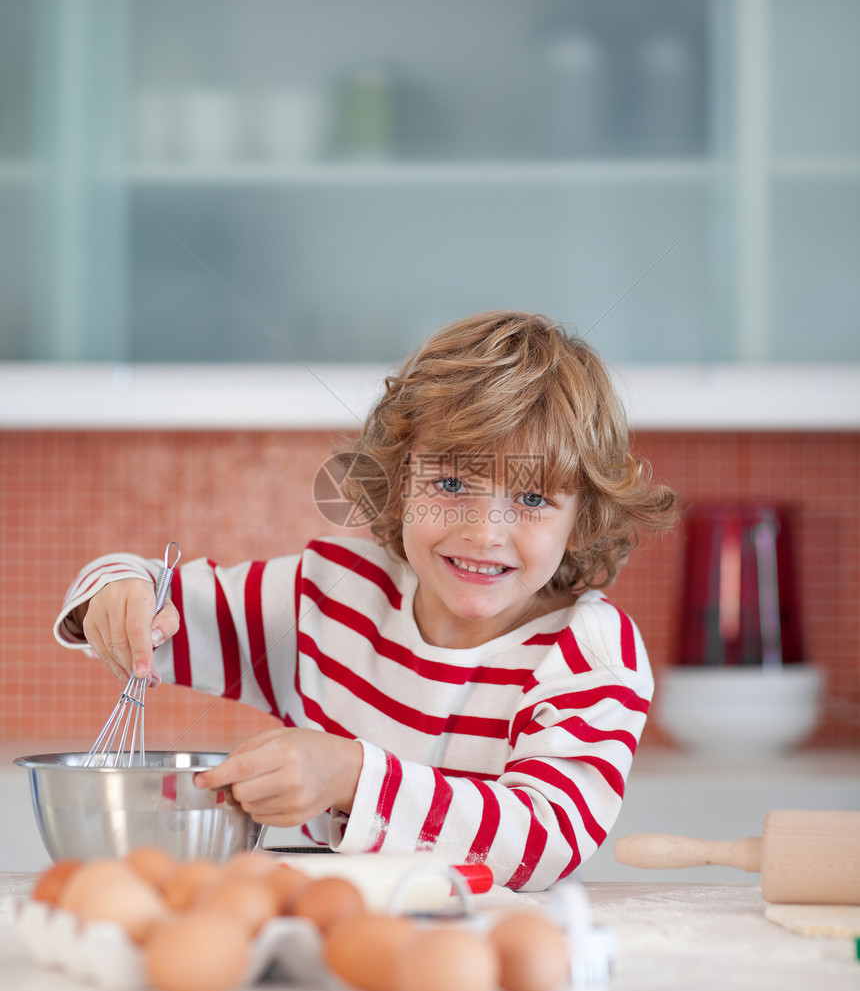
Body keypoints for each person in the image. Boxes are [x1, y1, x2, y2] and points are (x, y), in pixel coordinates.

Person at [54, 310, 678, 891]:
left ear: (583, 516)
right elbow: (157, 600)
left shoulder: (587, 654)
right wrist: (118, 596)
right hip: (314, 945)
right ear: (398, 483)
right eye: (452, 483)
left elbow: (541, 838)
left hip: (478, 979)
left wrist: (352, 776)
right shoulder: (332, 593)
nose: (485, 531)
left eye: (534, 499)